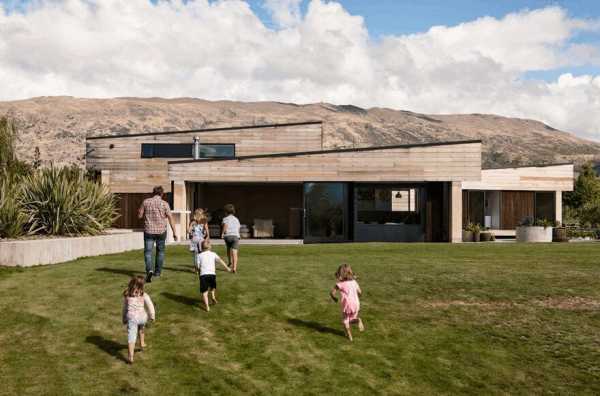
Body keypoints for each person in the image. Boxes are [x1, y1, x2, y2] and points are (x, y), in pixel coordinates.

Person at [138, 186, 178, 282]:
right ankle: (158, 272)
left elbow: (139, 216)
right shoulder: (165, 204)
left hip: (149, 231)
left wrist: (140, 212)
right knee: (160, 252)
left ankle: (149, 270)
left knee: (148, 252)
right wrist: (174, 232)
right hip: (161, 231)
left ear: (153, 192)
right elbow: (170, 218)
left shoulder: (146, 202)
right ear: (162, 193)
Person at [122, 276, 155, 364]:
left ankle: (131, 356)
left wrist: (124, 318)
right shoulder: (144, 294)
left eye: (137, 290)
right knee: (141, 329)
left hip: (132, 319)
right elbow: (150, 305)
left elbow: (125, 309)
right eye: (135, 290)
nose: (136, 292)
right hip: (142, 318)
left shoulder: (128, 296)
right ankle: (142, 343)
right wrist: (152, 315)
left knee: (131, 337)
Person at [330, 264, 364, 341]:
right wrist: (357, 296)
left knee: (345, 321)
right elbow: (360, 292)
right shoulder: (354, 282)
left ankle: (349, 336)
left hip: (347, 305)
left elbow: (332, 293)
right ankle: (358, 320)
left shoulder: (339, 284)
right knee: (352, 320)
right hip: (356, 304)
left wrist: (334, 298)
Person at [196, 240, 231, 311]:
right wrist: (227, 268)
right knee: (212, 287)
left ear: (201, 248)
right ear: (210, 247)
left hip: (203, 275)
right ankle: (213, 297)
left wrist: (197, 271)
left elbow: (197, 266)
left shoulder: (199, 255)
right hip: (212, 274)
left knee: (204, 292)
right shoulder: (213, 254)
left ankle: (207, 306)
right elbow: (220, 260)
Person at [220, 203, 241, 273]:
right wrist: (238, 235)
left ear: (226, 212)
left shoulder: (225, 219)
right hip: (235, 236)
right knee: (234, 252)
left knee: (228, 249)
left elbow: (225, 225)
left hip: (228, 236)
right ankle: (234, 268)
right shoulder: (236, 219)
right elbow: (238, 228)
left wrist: (222, 233)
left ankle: (229, 262)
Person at [188, 208, 210, 272]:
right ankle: (201, 267)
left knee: (196, 254)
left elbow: (189, 230)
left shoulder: (193, 221)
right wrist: (208, 236)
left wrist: (191, 232)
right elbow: (207, 230)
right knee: (202, 253)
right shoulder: (204, 221)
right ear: (202, 214)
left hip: (194, 239)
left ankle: (196, 268)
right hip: (201, 239)